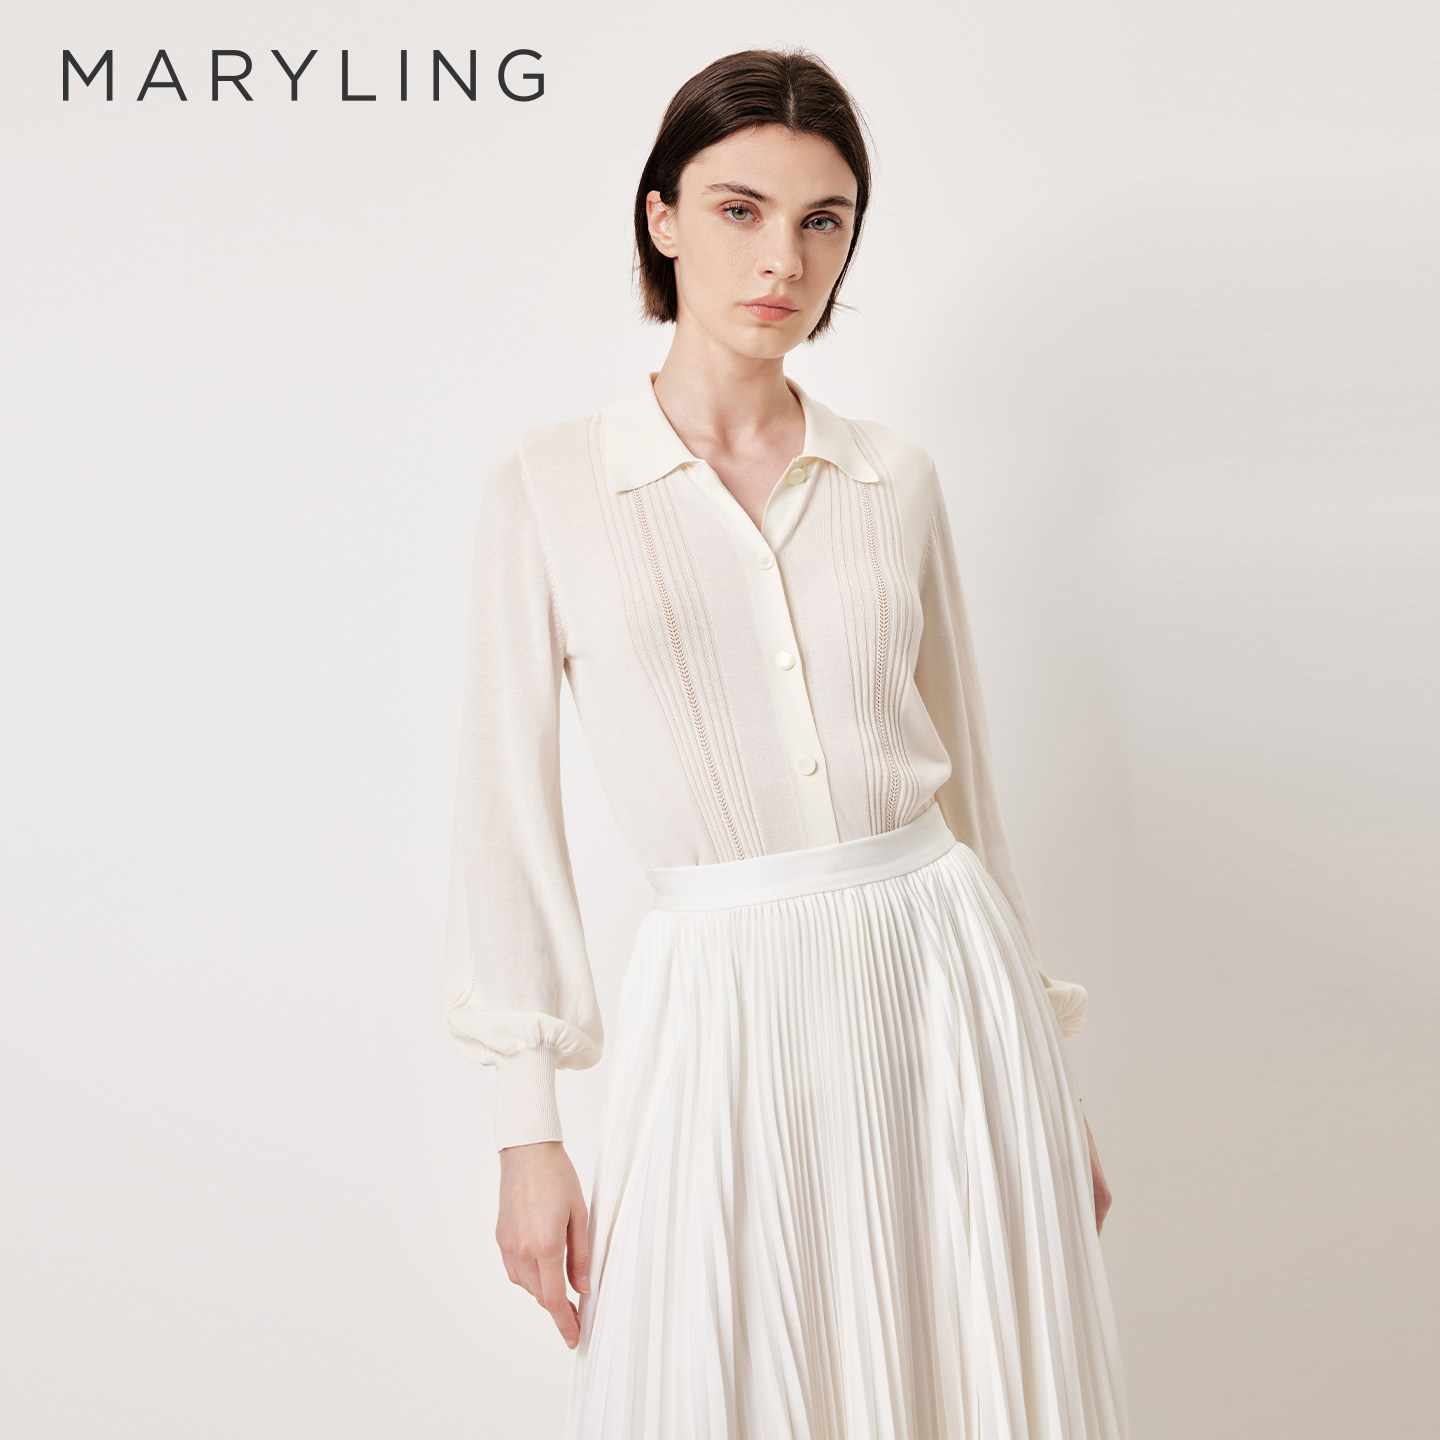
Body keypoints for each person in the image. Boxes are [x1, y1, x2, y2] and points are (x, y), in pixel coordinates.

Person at [442, 46, 1131, 1439]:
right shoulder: (551, 486)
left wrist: (1048, 1082)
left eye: (824, 220)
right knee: (728, 1381)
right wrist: (529, 1129)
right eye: (741, 209)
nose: (784, 260)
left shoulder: (895, 479)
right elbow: (504, 814)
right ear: (662, 217)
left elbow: (971, 792)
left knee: (965, 1380)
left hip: (948, 988)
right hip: (724, 999)